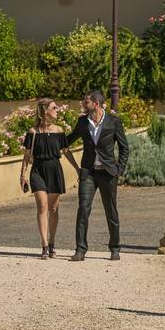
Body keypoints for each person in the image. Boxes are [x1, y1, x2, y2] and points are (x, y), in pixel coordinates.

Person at [67, 90, 129, 262]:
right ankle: (80, 249)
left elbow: (124, 147)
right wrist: (49, 136)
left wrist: (119, 170)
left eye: (85, 102)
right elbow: (69, 139)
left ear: (95, 103)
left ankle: (115, 248)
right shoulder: (82, 122)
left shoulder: (113, 122)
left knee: (111, 211)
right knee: (83, 209)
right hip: (88, 172)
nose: (82, 104)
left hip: (108, 173)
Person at [19, 98, 80, 259]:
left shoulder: (59, 131)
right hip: (38, 170)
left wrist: (77, 168)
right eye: (54, 108)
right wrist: (22, 175)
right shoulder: (32, 133)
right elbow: (26, 156)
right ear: (45, 111)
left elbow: (66, 151)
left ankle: (52, 242)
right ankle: (44, 245)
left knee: (53, 209)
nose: (57, 110)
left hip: (55, 169)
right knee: (42, 206)